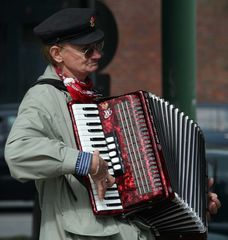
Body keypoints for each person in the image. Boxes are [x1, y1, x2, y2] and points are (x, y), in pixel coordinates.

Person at [4, 8, 221, 240]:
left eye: (98, 46)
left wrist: (193, 198)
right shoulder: (43, 96)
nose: (97, 55)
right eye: (87, 50)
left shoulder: (92, 98)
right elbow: (18, 152)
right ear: (57, 53)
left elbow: (134, 187)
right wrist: (85, 162)